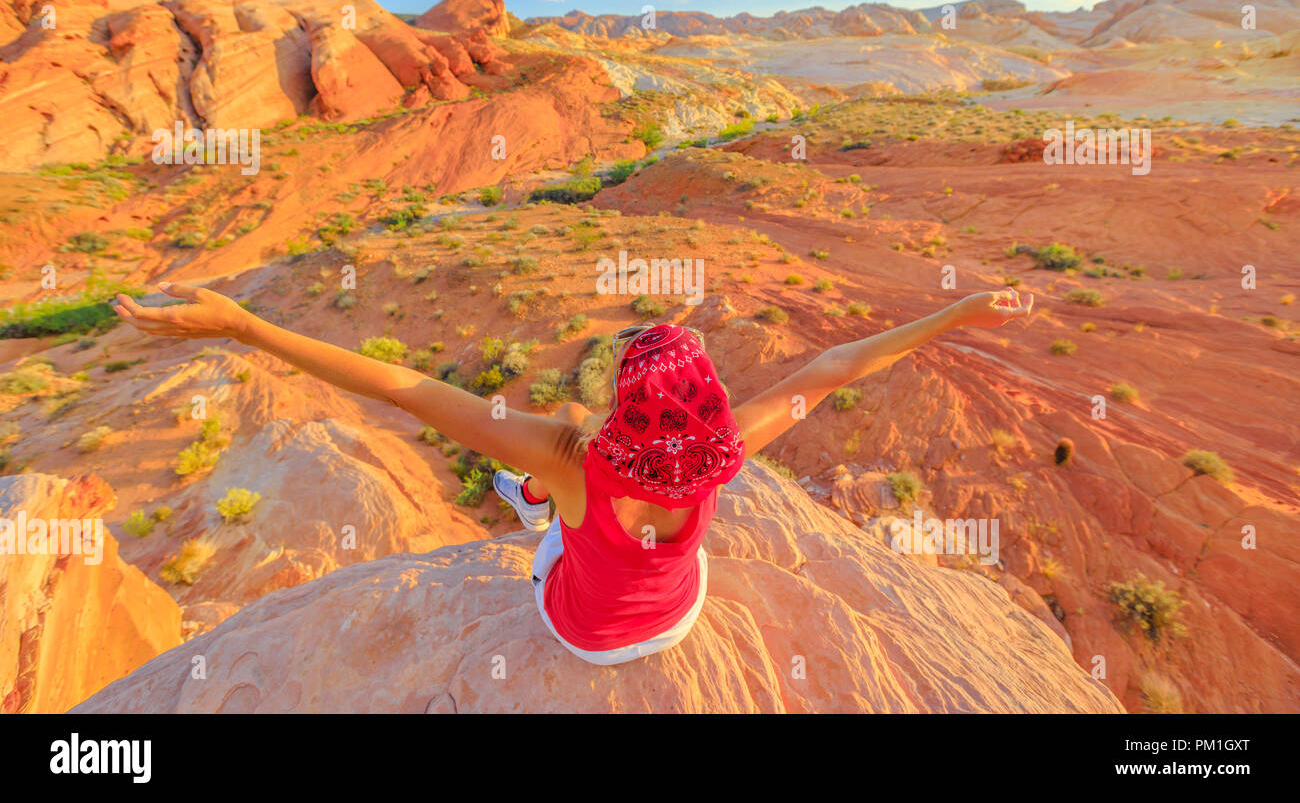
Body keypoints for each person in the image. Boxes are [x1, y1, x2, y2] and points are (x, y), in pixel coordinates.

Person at [113, 283, 1032, 665]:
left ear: (624, 407)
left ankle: (531, 512)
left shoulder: (573, 456)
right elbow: (834, 369)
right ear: (709, 410)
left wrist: (244, 326)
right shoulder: (728, 451)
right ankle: (549, 517)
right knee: (665, 544)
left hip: (580, 632)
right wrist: (954, 315)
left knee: (548, 512)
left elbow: (409, 388)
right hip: (672, 622)